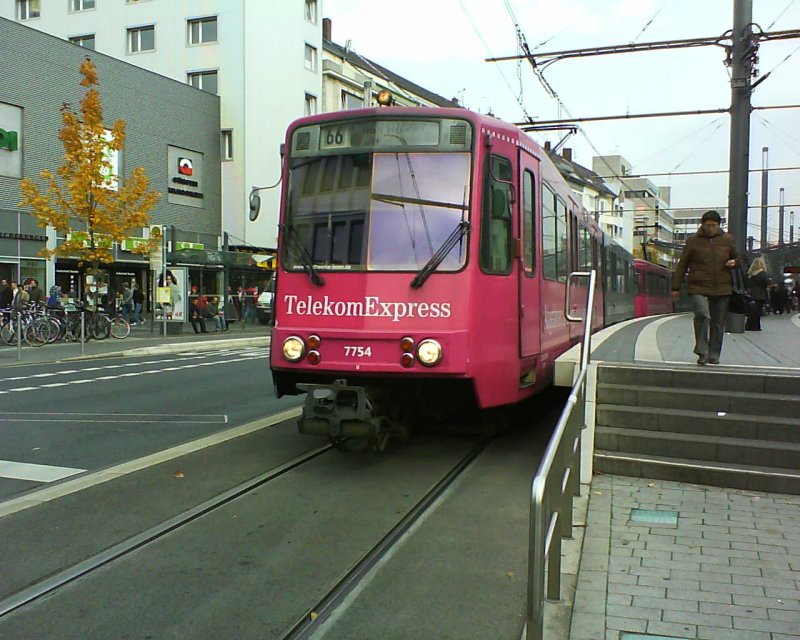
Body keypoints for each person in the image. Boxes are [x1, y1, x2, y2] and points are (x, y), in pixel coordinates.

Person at [671, 210, 739, 365]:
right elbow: (683, 264)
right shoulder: (693, 240)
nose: (711, 228)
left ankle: (714, 354)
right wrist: (675, 287)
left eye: (714, 225)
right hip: (698, 285)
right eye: (708, 225)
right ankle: (702, 351)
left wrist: (734, 262)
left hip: (722, 286)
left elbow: (739, 257)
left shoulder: (727, 240)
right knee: (702, 315)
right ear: (702, 225)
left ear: (719, 225)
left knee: (718, 321)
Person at [745, 257, 773, 331]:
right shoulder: (762, 273)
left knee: (752, 311)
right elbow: (768, 282)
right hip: (760, 294)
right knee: (757, 311)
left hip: (751, 294)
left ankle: (749, 326)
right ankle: (755, 326)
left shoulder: (750, 274)